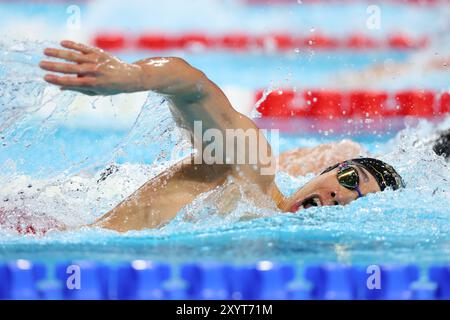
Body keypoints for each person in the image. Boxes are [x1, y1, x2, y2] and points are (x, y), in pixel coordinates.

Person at [4, 40, 406, 234]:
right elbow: (194, 86)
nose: (343, 196)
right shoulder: (253, 173)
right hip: (36, 230)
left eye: (358, 201)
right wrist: (134, 77)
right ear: (329, 170)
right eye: (350, 180)